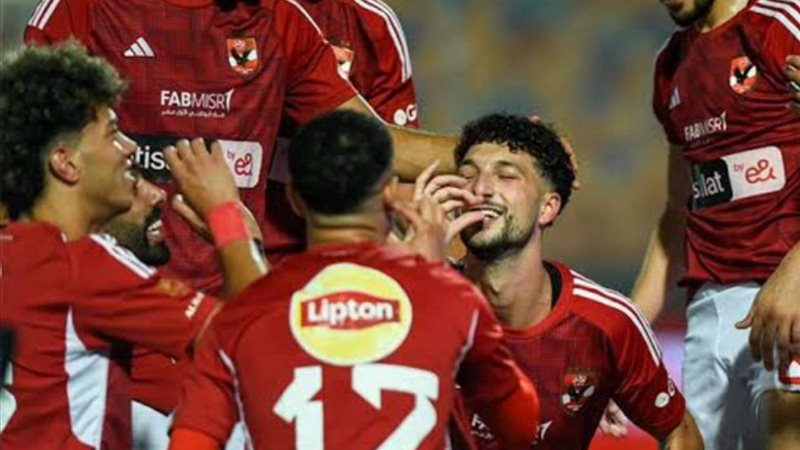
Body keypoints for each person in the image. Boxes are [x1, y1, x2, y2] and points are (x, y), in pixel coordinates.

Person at [24, 0, 457, 297]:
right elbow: (29, 161)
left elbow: (368, 142)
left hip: (235, 298)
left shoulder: (280, 18)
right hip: (116, 300)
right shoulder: (80, 11)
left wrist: (485, 154)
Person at [168, 110, 541, 450]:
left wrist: (227, 218)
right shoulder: (453, 299)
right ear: (390, 191)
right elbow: (521, 426)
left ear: (294, 199)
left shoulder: (240, 315)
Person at [0, 43, 266, 449]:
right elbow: (255, 339)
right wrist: (227, 215)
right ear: (65, 162)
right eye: (112, 133)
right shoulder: (80, 264)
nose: (129, 147)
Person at [422, 114, 702, 449]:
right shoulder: (414, 301)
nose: (480, 189)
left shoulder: (606, 324)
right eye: (468, 175)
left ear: (547, 208)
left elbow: (679, 431)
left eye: (506, 175)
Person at [633, 0, 800, 448]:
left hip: (788, 295)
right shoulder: (670, 65)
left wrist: (796, 269)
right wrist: (627, 329)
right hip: (709, 307)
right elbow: (678, 209)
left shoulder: (782, 26)